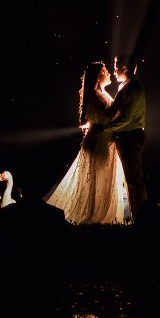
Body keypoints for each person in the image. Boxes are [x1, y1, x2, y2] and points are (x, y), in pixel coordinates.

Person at [44, 61, 129, 224]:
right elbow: (108, 115)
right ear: (98, 76)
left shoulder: (101, 93)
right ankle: (96, 214)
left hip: (103, 140)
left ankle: (102, 213)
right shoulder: (96, 96)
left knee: (101, 179)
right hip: (100, 142)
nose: (109, 73)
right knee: (98, 179)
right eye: (105, 71)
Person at [103, 57, 148, 218]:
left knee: (134, 179)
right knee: (131, 179)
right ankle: (138, 214)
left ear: (125, 68)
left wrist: (104, 128)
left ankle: (141, 215)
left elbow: (126, 117)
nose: (114, 72)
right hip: (128, 136)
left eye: (116, 68)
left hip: (131, 136)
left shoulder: (133, 87)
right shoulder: (127, 86)